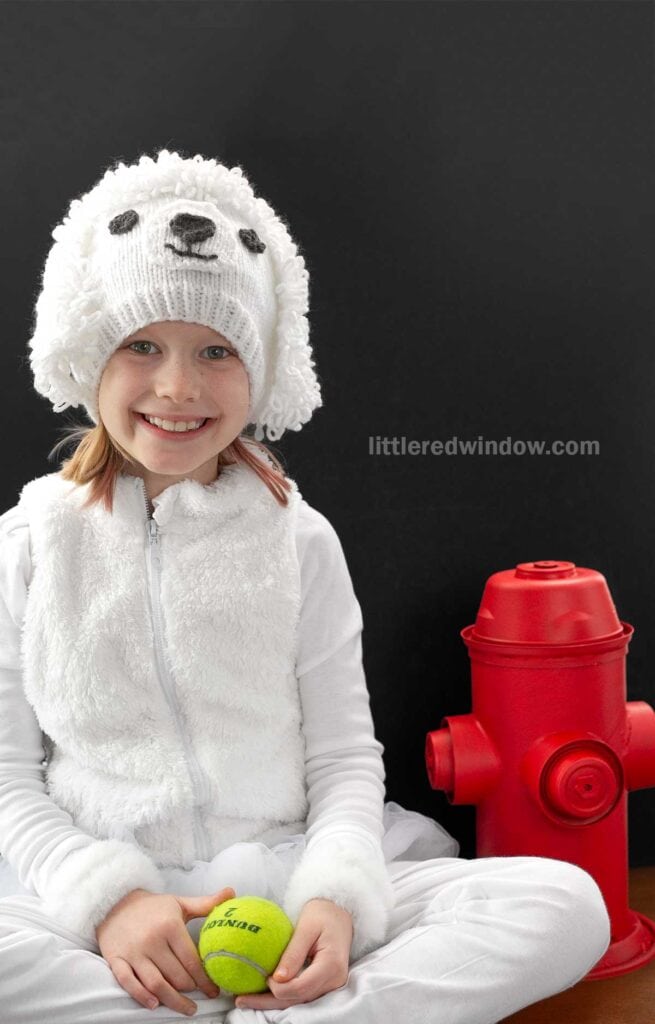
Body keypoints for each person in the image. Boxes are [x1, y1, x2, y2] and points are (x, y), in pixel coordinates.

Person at [0, 148, 610, 1024]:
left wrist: (336, 895)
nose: (177, 387)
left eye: (216, 350)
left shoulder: (299, 541)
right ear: (88, 350)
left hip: (283, 873)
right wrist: (110, 903)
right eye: (141, 346)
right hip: (105, 902)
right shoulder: (25, 545)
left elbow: (342, 757)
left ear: (263, 369)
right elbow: (7, 777)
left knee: (565, 904)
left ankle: (262, 1007)